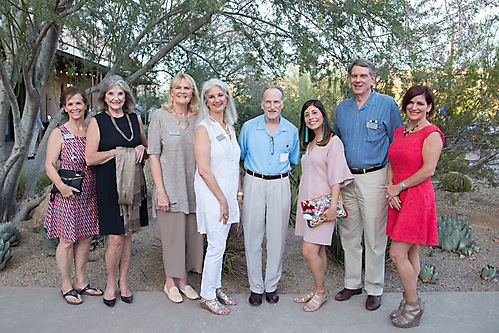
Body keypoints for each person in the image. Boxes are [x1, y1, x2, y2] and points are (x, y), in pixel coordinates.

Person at [332, 59, 403, 311]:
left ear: (373, 78)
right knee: (349, 235)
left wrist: (392, 182)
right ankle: (352, 283)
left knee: (374, 237)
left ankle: (374, 287)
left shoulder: (387, 105)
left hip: (375, 177)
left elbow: (397, 144)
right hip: (347, 179)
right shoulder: (343, 107)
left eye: (363, 76)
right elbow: (336, 144)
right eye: (354, 76)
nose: (358, 80)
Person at [85, 75, 148, 307]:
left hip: (132, 184)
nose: (115, 98)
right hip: (109, 185)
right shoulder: (97, 121)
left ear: (126, 96)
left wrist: (141, 146)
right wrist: (118, 152)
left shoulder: (135, 119)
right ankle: (111, 282)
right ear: (104, 97)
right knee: (115, 237)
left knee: (128, 234)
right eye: (111, 94)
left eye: (120, 93)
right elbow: (90, 158)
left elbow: (145, 148)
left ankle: (124, 282)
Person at [385, 85, 443, 328]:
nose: (414, 107)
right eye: (410, 102)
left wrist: (399, 186)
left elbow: (428, 170)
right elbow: (391, 162)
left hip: (417, 197)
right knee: (410, 252)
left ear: (429, 107)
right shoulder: (400, 131)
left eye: (420, 103)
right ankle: (409, 298)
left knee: (397, 253)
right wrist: (390, 188)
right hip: (397, 197)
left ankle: (413, 303)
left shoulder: (432, 134)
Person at [238, 85, 300, 306]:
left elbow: (293, 159)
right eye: (268, 102)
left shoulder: (291, 130)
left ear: (282, 104)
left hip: (280, 184)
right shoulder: (248, 127)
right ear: (262, 104)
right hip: (254, 181)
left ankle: (271, 286)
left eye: (277, 102)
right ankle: (256, 286)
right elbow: (241, 157)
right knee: (253, 236)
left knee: (277, 237)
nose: (272, 106)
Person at [148, 73, 204, 303]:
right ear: (171, 91)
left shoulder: (201, 118)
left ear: (193, 93)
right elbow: (153, 155)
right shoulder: (160, 116)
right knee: (172, 237)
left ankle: (183, 282)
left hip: (196, 189)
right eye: (178, 87)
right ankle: (169, 282)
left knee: (192, 236)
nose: (182, 91)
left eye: (187, 88)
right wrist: (160, 190)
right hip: (170, 188)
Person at [294, 100, 353, 311]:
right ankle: (317, 288)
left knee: (308, 251)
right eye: (307, 114)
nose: (311, 117)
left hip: (323, 204)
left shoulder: (332, 142)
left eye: (315, 113)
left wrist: (333, 205)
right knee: (318, 252)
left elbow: (336, 175)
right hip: (308, 204)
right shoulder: (310, 143)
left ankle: (321, 292)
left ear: (323, 115)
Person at [45, 86, 102, 305]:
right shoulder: (59, 133)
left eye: (78, 103)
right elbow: (50, 165)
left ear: (86, 105)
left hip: (90, 192)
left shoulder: (92, 130)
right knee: (67, 241)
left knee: (86, 237)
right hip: (68, 194)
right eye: (70, 104)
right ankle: (66, 285)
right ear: (64, 107)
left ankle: (81, 281)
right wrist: (62, 187)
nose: (75, 107)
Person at [194, 79, 241, 315]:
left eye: (220, 95)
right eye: (211, 96)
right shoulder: (204, 128)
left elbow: (234, 164)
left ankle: (216, 286)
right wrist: (222, 200)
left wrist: (237, 191)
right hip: (213, 196)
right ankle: (207, 295)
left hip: (228, 195)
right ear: (205, 101)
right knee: (215, 246)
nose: (217, 100)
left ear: (227, 98)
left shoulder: (229, 127)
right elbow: (203, 169)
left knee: (221, 245)